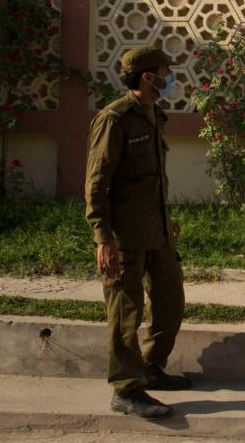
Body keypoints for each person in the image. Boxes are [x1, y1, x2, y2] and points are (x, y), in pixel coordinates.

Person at [85, 46, 191, 419]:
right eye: (166, 71)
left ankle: (150, 368)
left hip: (156, 231)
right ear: (149, 77)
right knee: (126, 312)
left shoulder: (154, 115)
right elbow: (97, 182)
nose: (170, 77)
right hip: (125, 236)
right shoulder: (115, 119)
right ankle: (126, 390)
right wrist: (103, 236)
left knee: (171, 302)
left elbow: (150, 180)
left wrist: (166, 218)